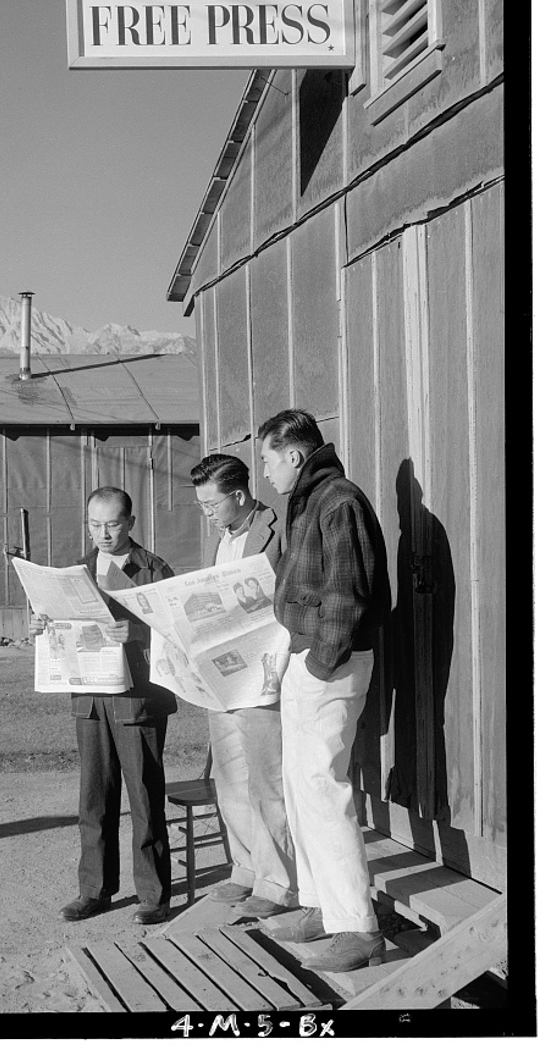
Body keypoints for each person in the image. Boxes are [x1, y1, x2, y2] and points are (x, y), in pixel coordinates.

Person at [257, 409, 391, 971]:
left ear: (293, 455)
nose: (263, 472)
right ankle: (319, 905)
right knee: (301, 786)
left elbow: (346, 594)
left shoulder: (338, 500)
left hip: (328, 664)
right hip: (309, 659)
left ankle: (358, 929)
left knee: (322, 786)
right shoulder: (311, 499)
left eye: (266, 460)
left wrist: (319, 662)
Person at [30, 487, 176, 926]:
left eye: (112, 524)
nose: (103, 534)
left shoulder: (154, 570)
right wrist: (41, 623)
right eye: (95, 525)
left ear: (130, 522)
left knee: (145, 798)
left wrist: (138, 634)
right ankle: (93, 890)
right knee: (94, 798)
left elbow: (178, 632)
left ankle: (153, 895)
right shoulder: (75, 572)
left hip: (138, 700)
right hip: (90, 698)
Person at [191, 453, 296, 919]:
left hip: (262, 674)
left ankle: (278, 884)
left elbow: (290, 596)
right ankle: (245, 869)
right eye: (201, 506)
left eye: (212, 505)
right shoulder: (219, 536)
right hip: (222, 675)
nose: (207, 514)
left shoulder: (279, 528)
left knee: (266, 780)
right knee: (228, 777)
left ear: (239, 495)